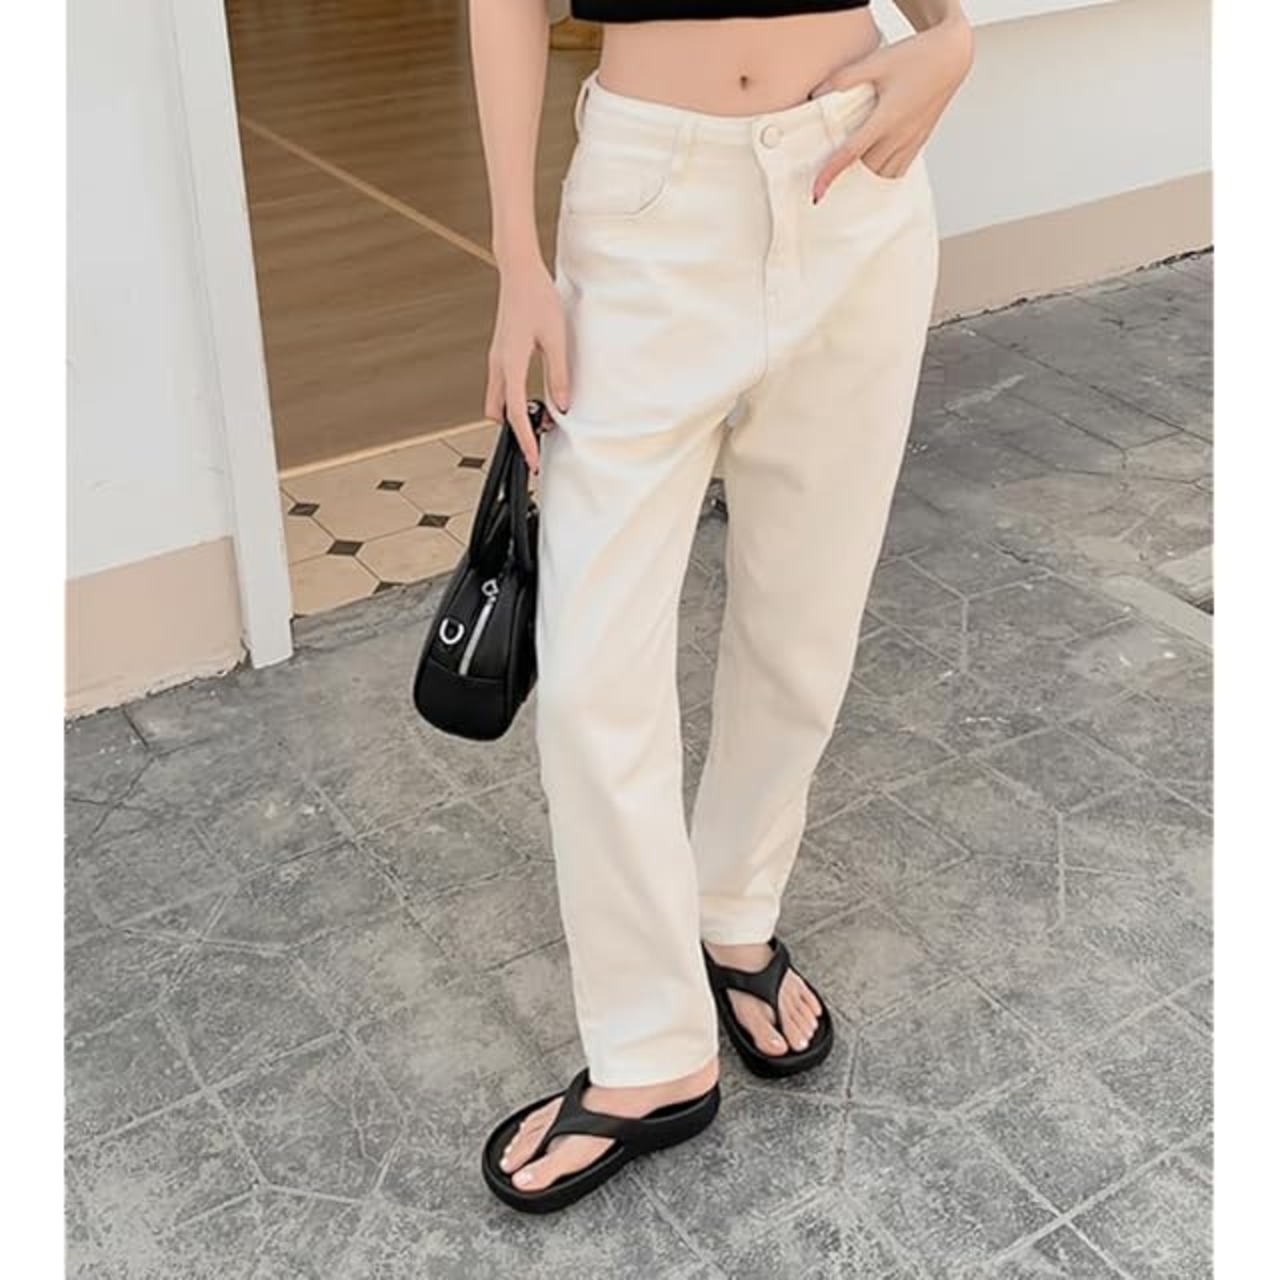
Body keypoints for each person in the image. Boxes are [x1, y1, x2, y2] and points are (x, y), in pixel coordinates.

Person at [470, 0, 974, 1212]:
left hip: (853, 181)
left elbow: (940, 16)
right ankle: (650, 1048)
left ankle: (733, 912)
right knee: (588, 671)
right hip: (648, 203)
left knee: (802, 621)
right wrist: (515, 258)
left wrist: (954, 41)